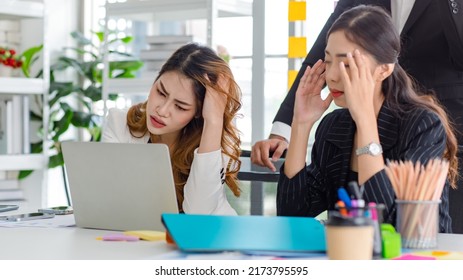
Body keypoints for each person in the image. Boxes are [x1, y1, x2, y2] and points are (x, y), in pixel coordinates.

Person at [251, 0, 463, 232]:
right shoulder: (334, 126)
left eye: (346, 64)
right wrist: (301, 125)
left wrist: (365, 121)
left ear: (384, 69)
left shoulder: (423, 125)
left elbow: (387, 227)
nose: (331, 76)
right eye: (329, 61)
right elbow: (292, 215)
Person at [101, 43, 242, 215]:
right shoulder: (119, 123)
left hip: (206, 239)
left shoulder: (217, 144)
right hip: (140, 237)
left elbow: (199, 214)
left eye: (180, 107)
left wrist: (213, 120)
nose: (162, 111)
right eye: (161, 92)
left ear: (199, 111)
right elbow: (110, 200)